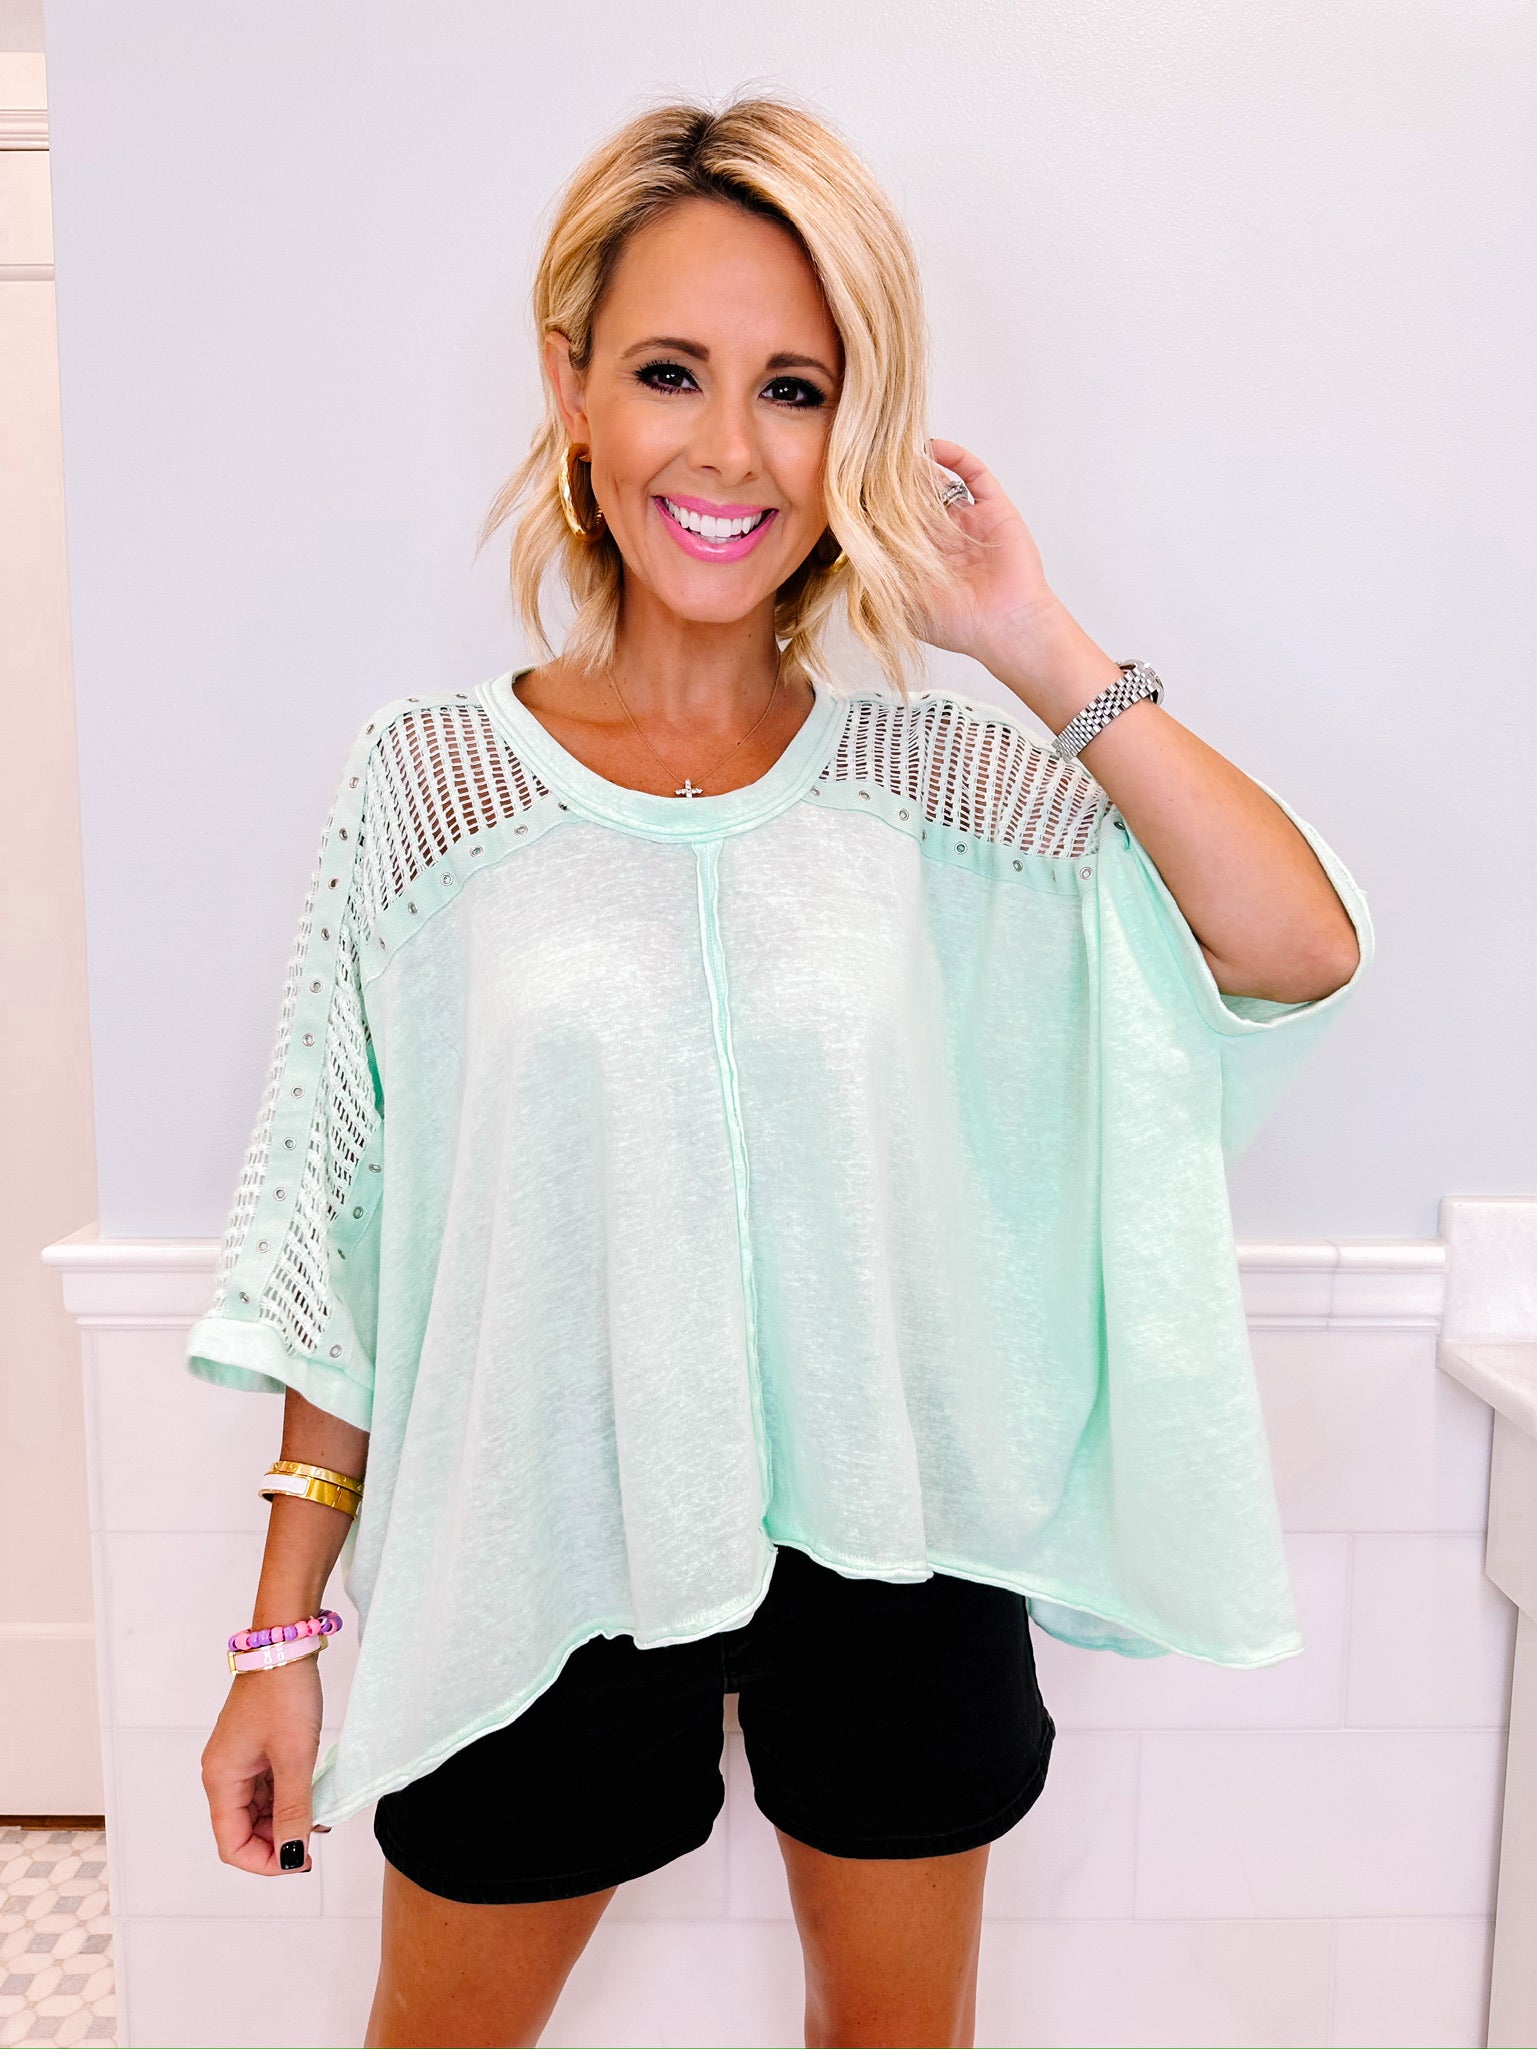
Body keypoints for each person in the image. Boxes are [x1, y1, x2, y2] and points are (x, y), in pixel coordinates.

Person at [187, 92, 1372, 2049]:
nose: (730, 449)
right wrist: (279, 1631)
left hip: (893, 1546)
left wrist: (1027, 635)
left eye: (796, 389)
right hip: (540, 1537)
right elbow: (346, 1235)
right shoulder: (429, 787)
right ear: (570, 387)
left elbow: (1291, 946)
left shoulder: (941, 787)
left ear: (856, 426)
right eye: (670, 371)